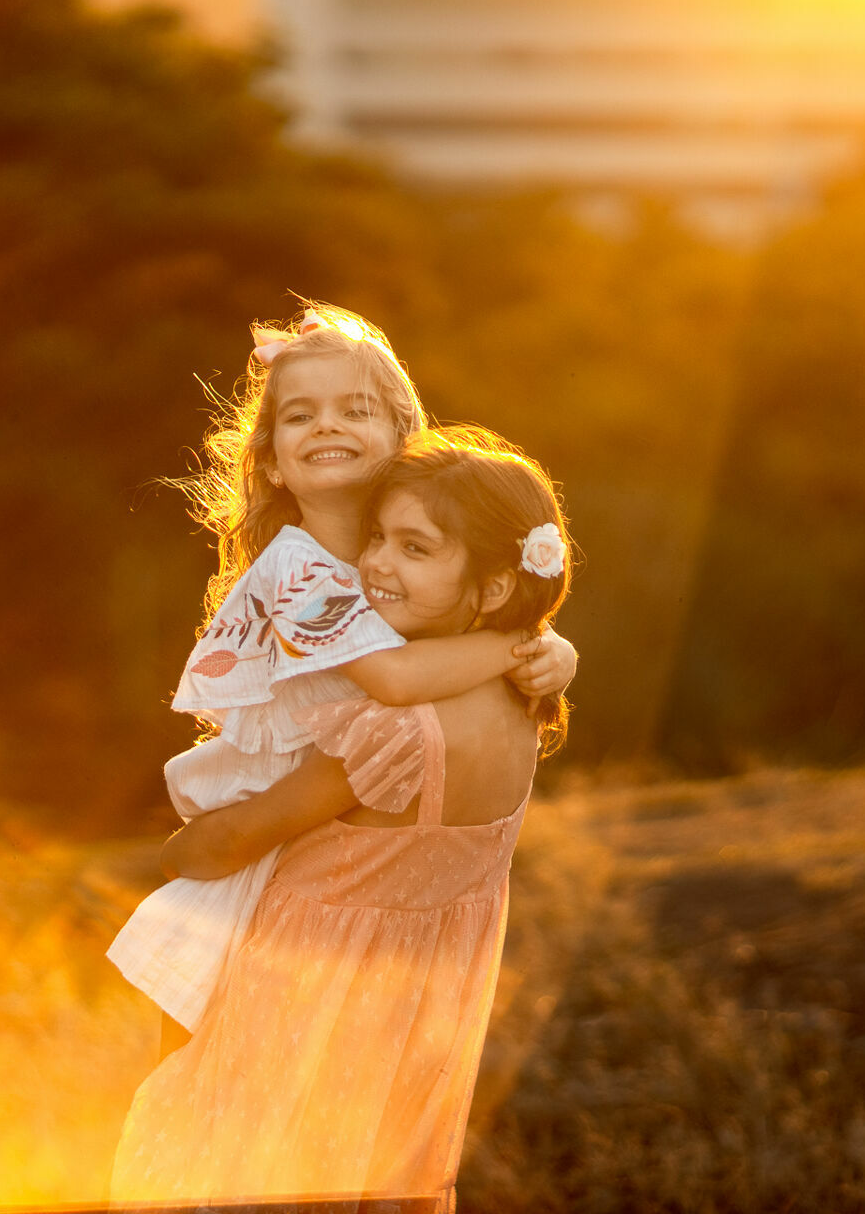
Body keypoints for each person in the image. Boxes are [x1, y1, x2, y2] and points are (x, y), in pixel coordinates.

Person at [110, 428, 573, 1207]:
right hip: (407, 1030)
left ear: (494, 588)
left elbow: (233, 840)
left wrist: (179, 851)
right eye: (377, 538)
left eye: (415, 549)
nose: (378, 565)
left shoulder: (390, 732)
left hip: (297, 1011)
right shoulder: (523, 702)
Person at [106, 305, 575, 1039]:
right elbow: (391, 677)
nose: (326, 427)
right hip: (250, 853)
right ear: (269, 459)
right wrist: (521, 646)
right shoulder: (296, 570)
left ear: (399, 438)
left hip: (330, 849)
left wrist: (557, 647)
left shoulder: (398, 561)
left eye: (354, 410)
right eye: (300, 416)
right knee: (198, 1099)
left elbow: (457, 623)